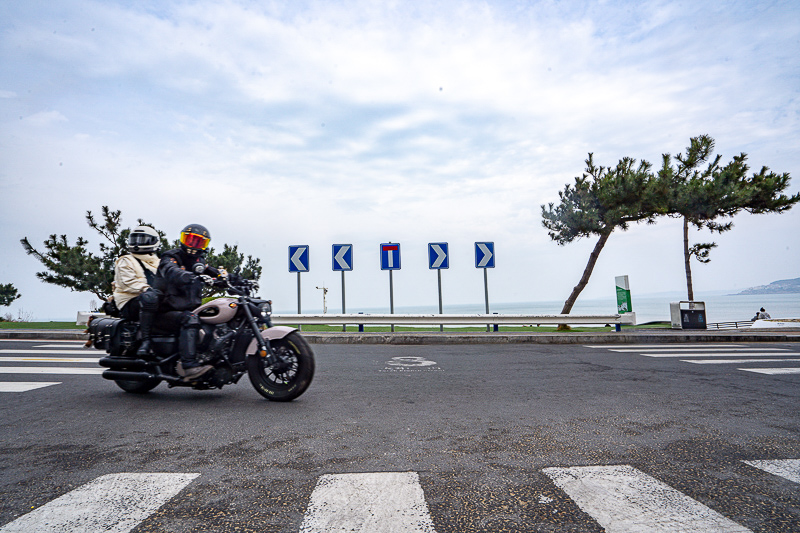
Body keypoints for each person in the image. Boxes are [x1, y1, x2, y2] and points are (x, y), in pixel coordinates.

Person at [152, 223, 219, 381]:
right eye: (190, 240)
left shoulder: (199, 262)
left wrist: (233, 279)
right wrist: (187, 275)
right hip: (165, 311)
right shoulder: (171, 257)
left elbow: (214, 272)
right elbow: (170, 270)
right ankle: (189, 366)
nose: (193, 245)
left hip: (187, 309)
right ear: (182, 239)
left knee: (212, 319)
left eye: (199, 242)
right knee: (190, 318)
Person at [112, 226, 161, 356]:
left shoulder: (158, 262)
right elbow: (128, 283)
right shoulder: (126, 260)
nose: (138, 243)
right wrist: (147, 289)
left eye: (142, 239)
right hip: (130, 302)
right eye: (135, 239)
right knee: (149, 298)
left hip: (153, 299)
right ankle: (146, 341)